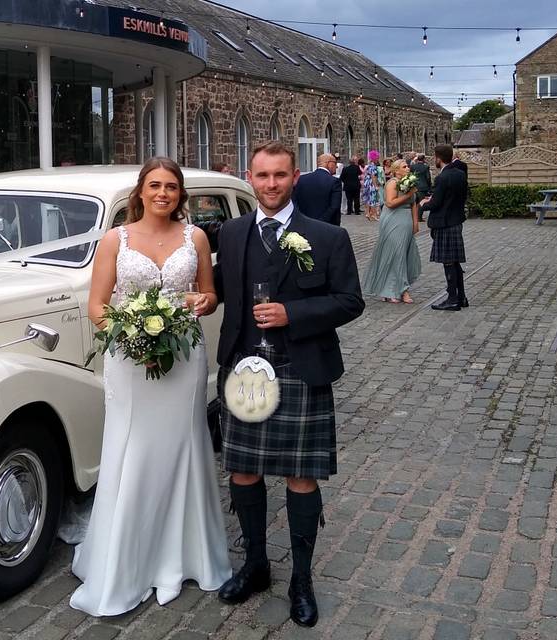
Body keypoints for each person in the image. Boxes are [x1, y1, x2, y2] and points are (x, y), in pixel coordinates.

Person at [72, 157, 231, 616]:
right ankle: (125, 558)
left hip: (184, 357)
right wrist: (133, 334)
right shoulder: (114, 240)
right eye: (155, 185)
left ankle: (183, 553)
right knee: (133, 447)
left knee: (183, 444)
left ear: (181, 195)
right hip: (130, 359)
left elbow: (209, 293)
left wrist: (204, 300)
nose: (164, 194)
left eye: (173, 187)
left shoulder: (195, 237)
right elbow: (98, 306)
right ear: (140, 192)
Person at [213, 142, 364, 627]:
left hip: (301, 368)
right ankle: (256, 564)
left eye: (280, 175)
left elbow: (350, 301)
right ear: (249, 178)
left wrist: (292, 313)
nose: (271, 184)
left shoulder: (326, 237)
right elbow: (216, 287)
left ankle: (301, 579)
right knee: (243, 471)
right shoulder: (232, 233)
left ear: (294, 176)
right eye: (262, 176)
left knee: (301, 476)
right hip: (243, 370)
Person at [362, 159, 422, 304]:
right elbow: (390, 203)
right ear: (396, 170)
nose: (408, 168)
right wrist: (408, 195)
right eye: (404, 166)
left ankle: (390, 289)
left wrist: (415, 222)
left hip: (406, 219)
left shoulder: (409, 182)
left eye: (408, 166)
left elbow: (414, 203)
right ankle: (402, 290)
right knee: (396, 253)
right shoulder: (393, 183)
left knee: (404, 253)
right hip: (393, 219)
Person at [420, 144, 469, 311]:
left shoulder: (443, 177)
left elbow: (436, 203)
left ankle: (453, 299)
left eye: (435, 157)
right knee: (454, 262)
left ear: (438, 158)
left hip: (444, 223)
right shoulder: (460, 174)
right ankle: (461, 297)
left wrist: (423, 204)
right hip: (456, 220)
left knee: (448, 262)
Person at [292, 153, 342, 226]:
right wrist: (320, 222)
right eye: (335, 163)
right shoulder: (334, 181)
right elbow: (335, 206)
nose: (337, 166)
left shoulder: (301, 179)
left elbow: (294, 202)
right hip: (327, 227)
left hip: (303, 225)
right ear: (329, 163)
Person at [361, 150, 382, 221]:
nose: (378, 159)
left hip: (367, 183)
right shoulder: (373, 166)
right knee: (373, 199)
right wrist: (376, 186)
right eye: (377, 158)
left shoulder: (369, 165)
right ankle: (374, 214)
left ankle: (367, 213)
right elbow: (373, 176)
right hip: (371, 184)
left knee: (367, 199)